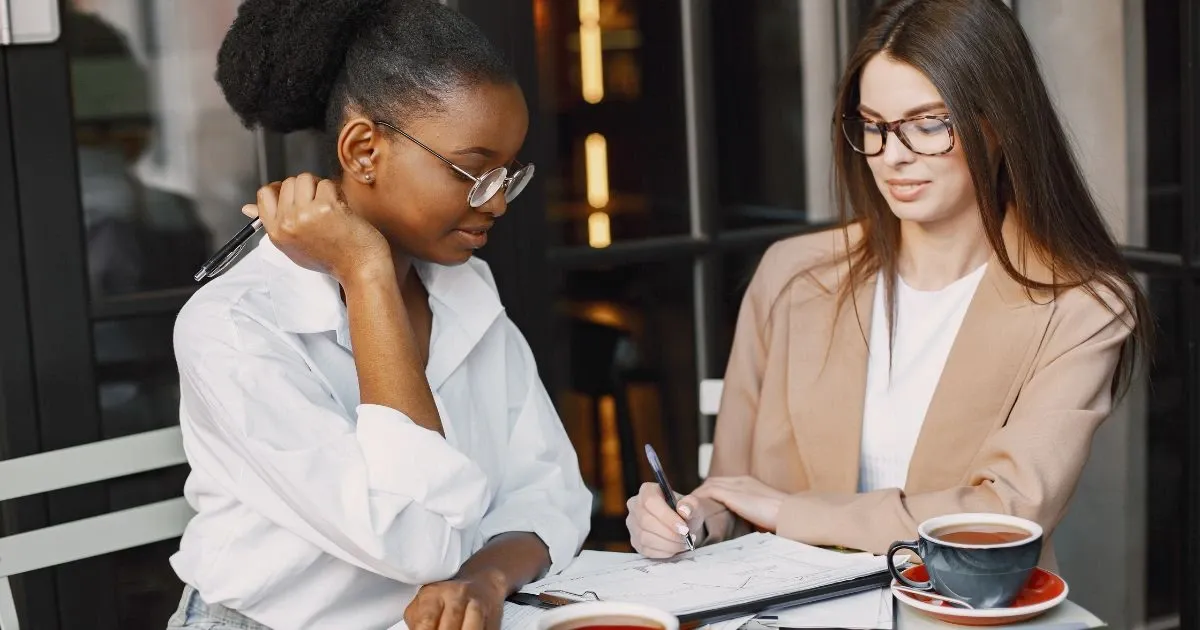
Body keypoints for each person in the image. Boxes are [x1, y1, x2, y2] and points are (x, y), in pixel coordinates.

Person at [626, 0, 1150, 568]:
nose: (892, 156)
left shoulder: (1081, 305)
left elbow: (1004, 514)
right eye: (874, 126)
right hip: (792, 604)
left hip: (961, 607)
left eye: (928, 124)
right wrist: (688, 520)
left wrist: (792, 512)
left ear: (1000, 125)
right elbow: (732, 492)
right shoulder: (791, 274)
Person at [166, 1, 590, 629]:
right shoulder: (234, 326)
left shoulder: (464, 287)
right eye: (475, 173)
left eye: (508, 175)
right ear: (364, 150)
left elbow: (550, 491)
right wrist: (365, 271)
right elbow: (417, 539)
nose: (498, 203)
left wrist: (487, 576)